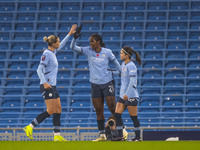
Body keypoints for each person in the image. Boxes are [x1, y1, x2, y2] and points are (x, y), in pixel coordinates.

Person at [23, 24, 77, 141]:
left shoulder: (53, 52)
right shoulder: (46, 54)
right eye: (57, 41)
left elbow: (61, 46)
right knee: (51, 110)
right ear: (53, 44)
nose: (59, 43)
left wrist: (69, 34)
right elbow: (39, 69)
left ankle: (57, 136)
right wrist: (44, 82)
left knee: (58, 109)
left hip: (53, 85)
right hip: (47, 86)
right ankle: (30, 126)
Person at [70, 27, 125, 141]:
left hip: (107, 83)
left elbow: (116, 64)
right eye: (90, 41)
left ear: (98, 42)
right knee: (98, 110)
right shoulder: (88, 51)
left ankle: (122, 129)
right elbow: (72, 47)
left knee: (112, 108)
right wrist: (74, 39)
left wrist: (119, 72)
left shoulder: (107, 52)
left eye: (92, 41)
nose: (90, 43)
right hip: (95, 85)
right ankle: (102, 135)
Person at [114, 46, 142, 141]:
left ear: (127, 55)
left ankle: (138, 137)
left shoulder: (131, 66)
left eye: (122, 53)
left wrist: (127, 93)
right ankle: (120, 136)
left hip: (131, 95)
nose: (120, 55)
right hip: (122, 95)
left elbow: (132, 81)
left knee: (133, 117)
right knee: (117, 114)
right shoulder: (123, 64)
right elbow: (120, 73)